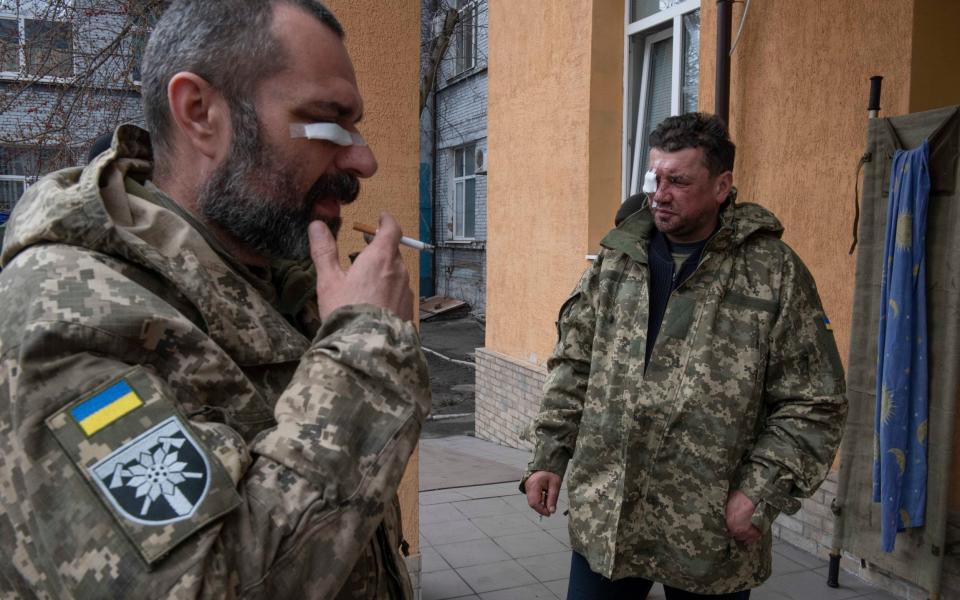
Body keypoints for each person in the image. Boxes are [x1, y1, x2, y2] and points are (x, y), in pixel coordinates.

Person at [0, 1, 430, 598]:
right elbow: (201, 585)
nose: (363, 159)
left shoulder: (279, 275)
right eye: (329, 124)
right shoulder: (68, 312)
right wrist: (367, 351)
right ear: (201, 113)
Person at [522, 113, 847, 599]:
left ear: (722, 185)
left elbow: (815, 400)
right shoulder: (619, 258)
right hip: (610, 512)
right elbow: (574, 363)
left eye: (679, 180)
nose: (660, 193)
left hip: (708, 524)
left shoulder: (771, 272)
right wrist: (549, 453)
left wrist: (759, 490)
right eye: (656, 178)